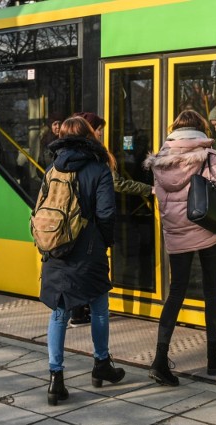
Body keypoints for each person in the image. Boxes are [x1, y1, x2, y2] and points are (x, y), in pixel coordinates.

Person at [143, 109, 216, 386]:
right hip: (208, 231)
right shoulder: (209, 156)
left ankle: (160, 360)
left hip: (176, 235)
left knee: (176, 292)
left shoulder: (160, 161)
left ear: (174, 130)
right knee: (212, 292)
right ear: (201, 129)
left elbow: (160, 199)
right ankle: (213, 358)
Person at [39, 116, 125, 406]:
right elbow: (106, 213)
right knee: (99, 307)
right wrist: (104, 243)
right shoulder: (99, 168)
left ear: (63, 136)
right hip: (89, 250)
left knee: (59, 313)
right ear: (89, 136)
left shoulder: (52, 168)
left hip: (56, 250)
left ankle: (56, 379)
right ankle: (101, 365)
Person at [68, 112, 154, 327]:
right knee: (91, 268)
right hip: (93, 222)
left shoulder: (67, 157)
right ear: (89, 129)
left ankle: (77, 311)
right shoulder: (97, 156)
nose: (101, 133)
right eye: (98, 129)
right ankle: (82, 314)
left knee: (79, 267)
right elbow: (116, 184)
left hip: (79, 221)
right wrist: (148, 189)